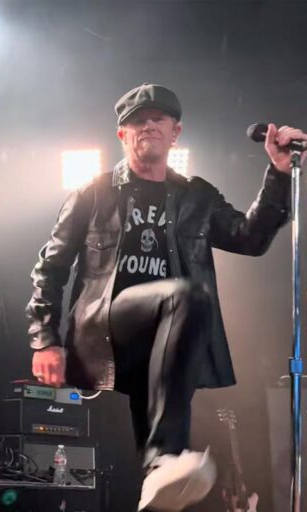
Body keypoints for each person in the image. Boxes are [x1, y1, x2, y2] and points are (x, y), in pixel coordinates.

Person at [26, 83, 306, 511]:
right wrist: (44, 338)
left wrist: (280, 173)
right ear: (122, 135)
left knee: (167, 479)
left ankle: (160, 475)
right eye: (138, 121)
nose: (148, 126)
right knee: (187, 297)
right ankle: (165, 458)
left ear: (176, 132)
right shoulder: (94, 193)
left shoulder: (197, 195)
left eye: (158, 119)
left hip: (166, 339)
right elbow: (51, 266)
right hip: (109, 327)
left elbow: (249, 238)